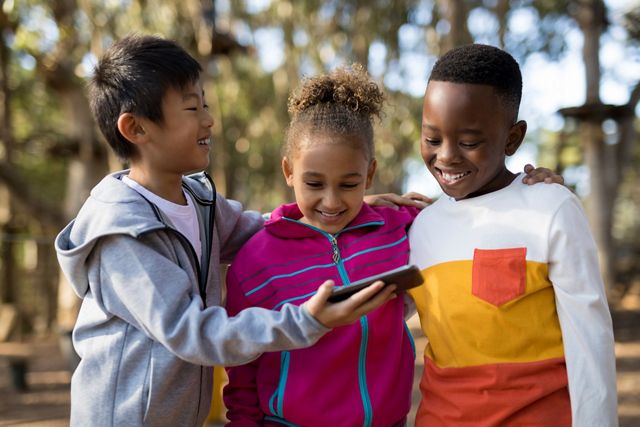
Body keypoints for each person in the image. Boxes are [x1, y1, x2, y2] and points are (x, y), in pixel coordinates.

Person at [53, 35, 398, 427]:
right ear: (136, 128)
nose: (208, 119)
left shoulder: (199, 202)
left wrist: (349, 206)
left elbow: (267, 229)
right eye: (191, 107)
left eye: (206, 104)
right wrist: (305, 321)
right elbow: (192, 333)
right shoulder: (121, 236)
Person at [221, 65, 564, 426]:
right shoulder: (255, 260)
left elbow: (471, 222)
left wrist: (527, 194)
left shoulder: (400, 229)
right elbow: (242, 368)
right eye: (314, 184)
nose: (332, 201)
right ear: (289, 171)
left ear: (369, 174)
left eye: (349, 184)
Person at [408, 44, 618, 426]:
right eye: (432, 139)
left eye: (469, 142)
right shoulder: (419, 227)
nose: (447, 156)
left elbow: (591, 345)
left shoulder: (551, 209)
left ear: (512, 138)